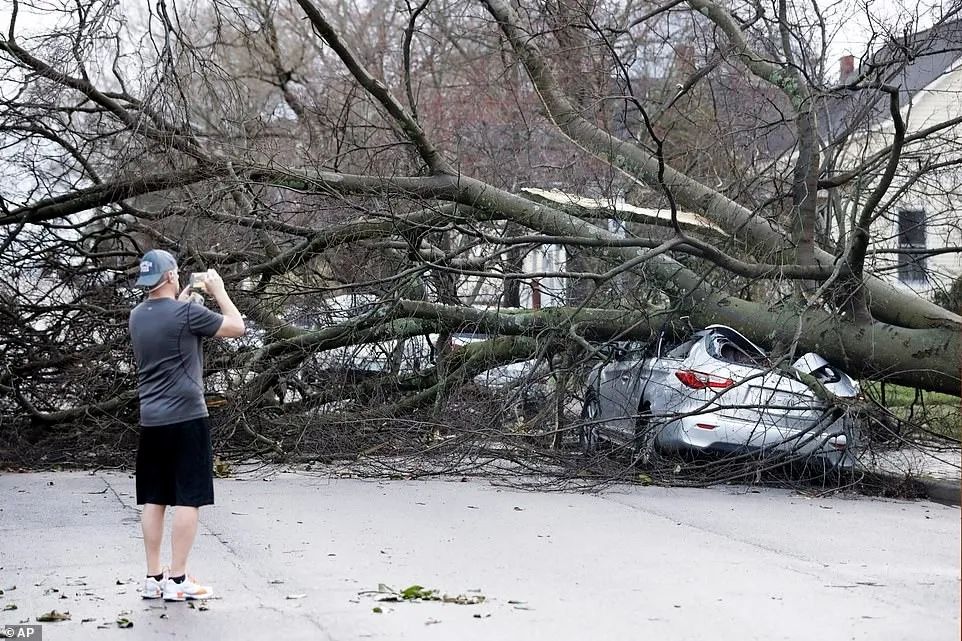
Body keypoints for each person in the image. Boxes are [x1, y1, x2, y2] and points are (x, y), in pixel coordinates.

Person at [128, 249, 245, 601]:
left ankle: (153, 577)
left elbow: (169, 318)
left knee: (154, 499)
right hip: (186, 419)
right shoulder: (187, 313)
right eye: (175, 273)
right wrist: (218, 290)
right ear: (169, 277)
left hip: (152, 421)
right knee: (187, 500)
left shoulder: (137, 316)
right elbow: (237, 327)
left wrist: (184, 299)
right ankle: (178, 581)